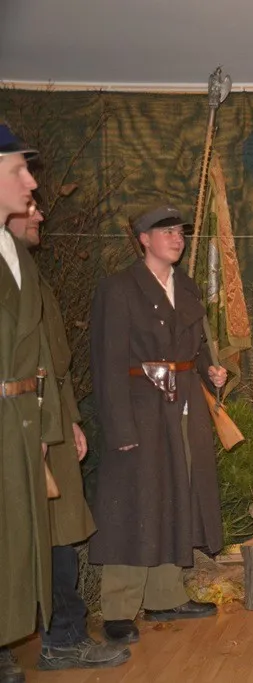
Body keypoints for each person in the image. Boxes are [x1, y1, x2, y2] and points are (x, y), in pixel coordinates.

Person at [90, 204, 227, 646]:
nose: (176, 238)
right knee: (135, 501)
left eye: (180, 232)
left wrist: (209, 370)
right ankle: (118, 607)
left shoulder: (185, 287)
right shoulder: (118, 289)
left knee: (176, 494)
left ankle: (166, 596)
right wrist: (119, 428)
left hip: (183, 406)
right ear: (143, 239)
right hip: (139, 410)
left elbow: (194, 347)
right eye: (165, 231)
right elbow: (107, 362)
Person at [1, 206, 129, 672]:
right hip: (20, 418)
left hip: (45, 416)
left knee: (59, 534)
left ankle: (65, 637)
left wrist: (69, 419)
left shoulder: (29, 272)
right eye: (28, 204)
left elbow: (55, 362)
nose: (37, 211)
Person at [0, 124, 63, 683]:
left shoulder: (16, 255)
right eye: (18, 169)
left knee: (16, 539)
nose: (32, 182)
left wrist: (43, 425)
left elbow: (38, 350)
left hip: (18, 420)